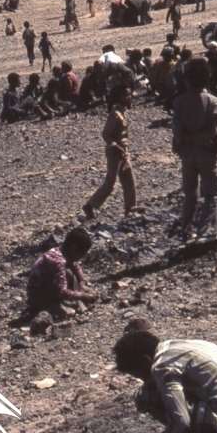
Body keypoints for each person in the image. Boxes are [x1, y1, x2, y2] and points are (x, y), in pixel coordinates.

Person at [171, 58, 217, 241]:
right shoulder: (213, 102)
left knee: (190, 194)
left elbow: (177, 132)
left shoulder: (179, 102)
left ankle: (186, 230)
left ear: (186, 80)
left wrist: (184, 140)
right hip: (206, 152)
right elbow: (212, 132)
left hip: (187, 153)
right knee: (212, 194)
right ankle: (207, 232)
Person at [84, 85, 138, 218]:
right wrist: (116, 146)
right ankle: (90, 205)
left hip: (122, 152)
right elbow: (106, 134)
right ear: (120, 98)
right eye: (127, 95)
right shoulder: (115, 114)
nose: (130, 97)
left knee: (129, 181)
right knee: (110, 183)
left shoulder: (122, 112)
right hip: (115, 153)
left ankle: (130, 209)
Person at [23, 228, 97, 321]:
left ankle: (74, 301)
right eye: (81, 254)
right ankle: (52, 308)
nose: (81, 258)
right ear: (74, 248)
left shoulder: (59, 251)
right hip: (38, 296)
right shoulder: (58, 261)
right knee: (69, 275)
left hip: (45, 287)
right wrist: (83, 296)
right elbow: (62, 292)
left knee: (71, 273)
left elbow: (75, 265)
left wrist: (82, 283)